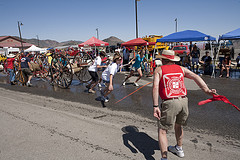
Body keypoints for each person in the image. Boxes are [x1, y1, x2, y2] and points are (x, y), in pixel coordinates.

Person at [152, 50, 216, 160]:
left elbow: (155, 87)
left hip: (169, 102)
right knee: (179, 125)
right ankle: (179, 148)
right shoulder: (181, 68)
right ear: (172, 59)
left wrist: (155, 106)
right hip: (183, 101)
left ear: (163, 59)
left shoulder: (159, 70)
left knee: (162, 130)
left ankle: (164, 158)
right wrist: (206, 90)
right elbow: (195, 76)